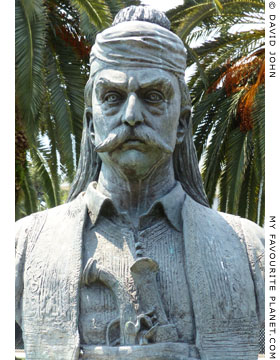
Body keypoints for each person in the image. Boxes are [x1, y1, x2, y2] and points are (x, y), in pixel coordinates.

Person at [15, 6, 264, 360]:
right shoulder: (22, 248)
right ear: (89, 123)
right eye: (112, 98)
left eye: (153, 97)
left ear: (182, 123)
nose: (131, 116)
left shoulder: (253, 251)